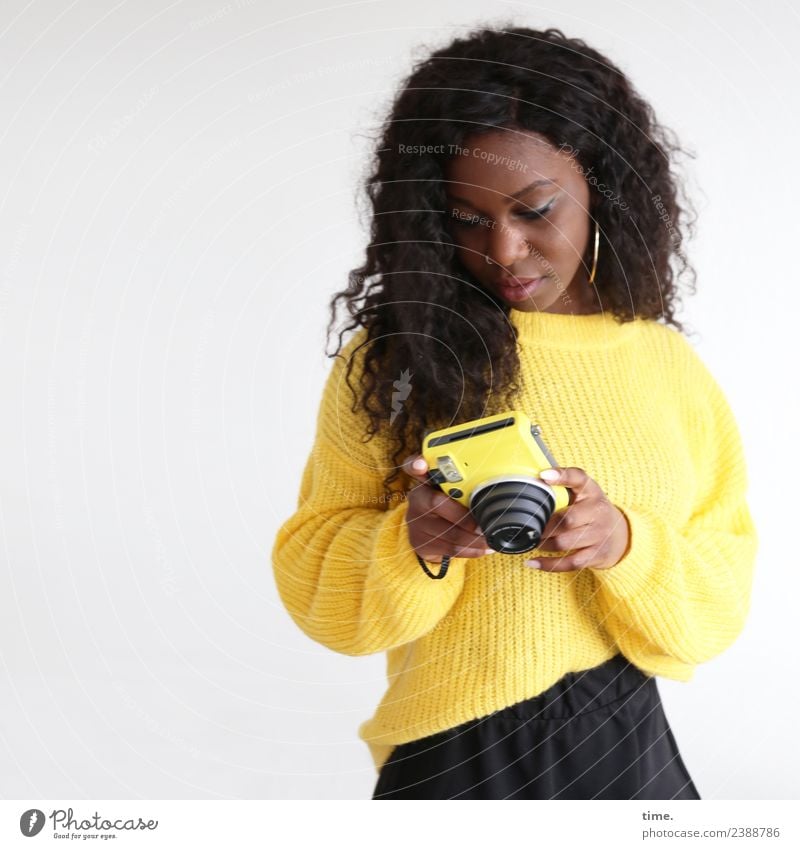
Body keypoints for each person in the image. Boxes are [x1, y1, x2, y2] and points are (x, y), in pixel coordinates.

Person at [271, 25, 758, 799]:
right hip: (454, 756)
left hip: (627, 745)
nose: (503, 249)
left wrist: (626, 541)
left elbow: (722, 595)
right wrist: (411, 542)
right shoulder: (399, 355)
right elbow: (315, 584)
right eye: (467, 219)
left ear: (603, 184)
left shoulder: (664, 365)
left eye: (535, 210)